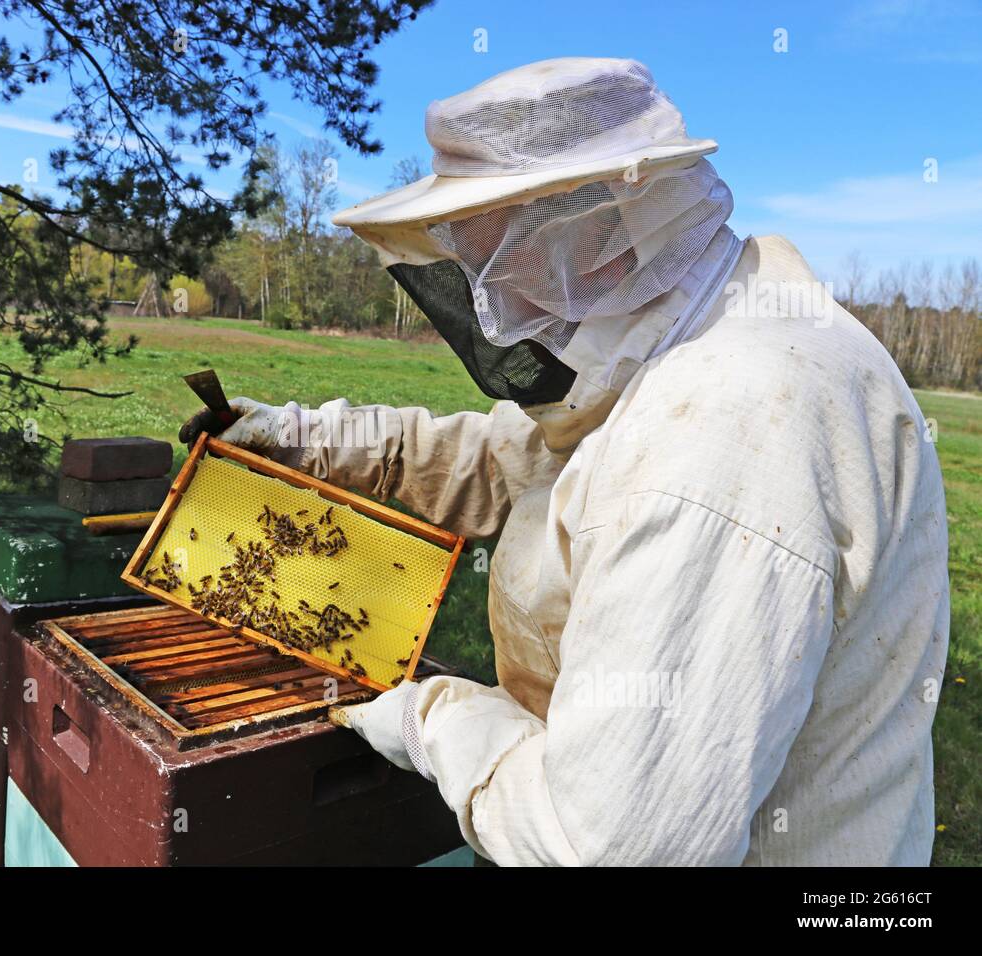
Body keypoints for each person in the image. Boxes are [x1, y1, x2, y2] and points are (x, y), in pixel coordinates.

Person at [179, 57, 949, 866]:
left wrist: (436, 720)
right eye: (473, 270)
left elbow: (609, 848)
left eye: (504, 266)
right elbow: (503, 462)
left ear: (605, 233)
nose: (492, 308)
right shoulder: (684, 333)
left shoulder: (724, 435)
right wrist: (306, 439)